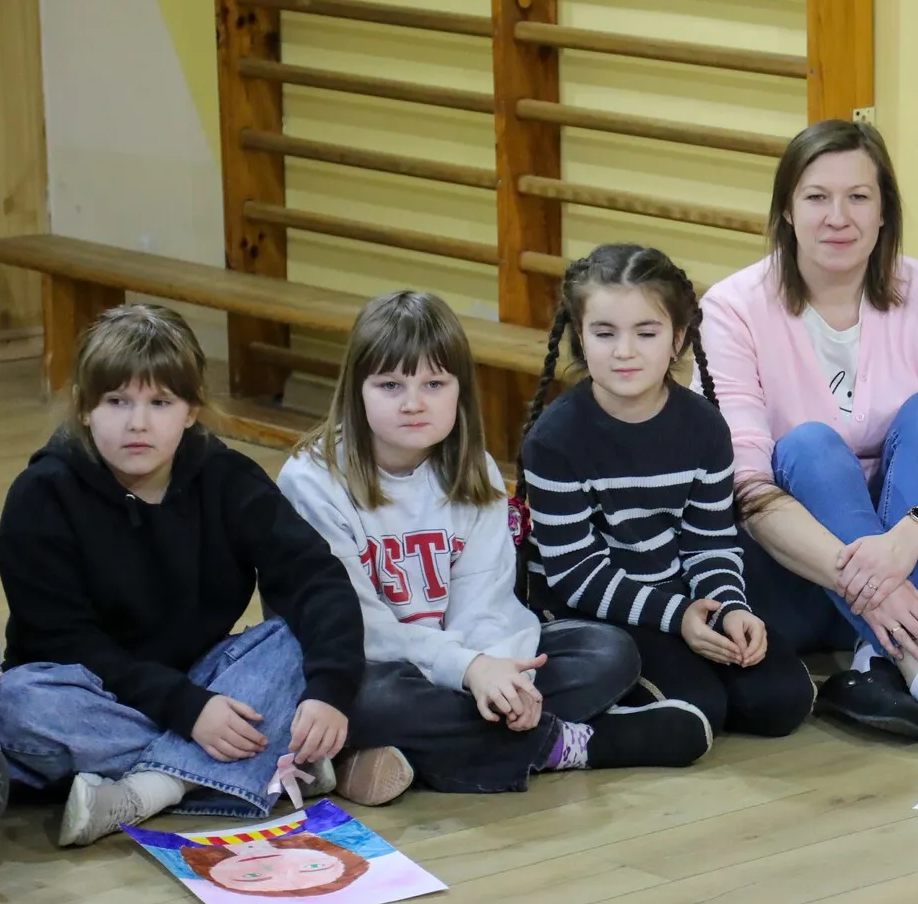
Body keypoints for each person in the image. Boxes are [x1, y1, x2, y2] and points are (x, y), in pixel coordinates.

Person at [280, 291, 711, 802]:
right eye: (390, 385)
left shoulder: (473, 469)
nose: (413, 403)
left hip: (463, 665)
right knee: (368, 698)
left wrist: (502, 678)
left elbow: (485, 600)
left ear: (460, 391)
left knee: (607, 652)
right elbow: (357, 628)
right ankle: (570, 745)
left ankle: (402, 752)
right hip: (366, 664)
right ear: (356, 390)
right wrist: (469, 671)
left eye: (434, 384)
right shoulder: (312, 481)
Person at [699, 119, 918, 754]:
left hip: (913, 563)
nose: (837, 217)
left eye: (858, 197)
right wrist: (867, 579)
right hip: (795, 576)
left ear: (884, 212)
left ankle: (876, 662)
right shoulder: (732, 308)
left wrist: (908, 538)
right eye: (817, 197)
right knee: (808, 446)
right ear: (787, 210)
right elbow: (743, 482)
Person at [0, 305, 363, 845]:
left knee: (291, 638)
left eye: (160, 402)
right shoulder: (41, 496)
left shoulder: (228, 479)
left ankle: (150, 789)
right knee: (14, 703)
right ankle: (261, 765)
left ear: (191, 410)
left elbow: (317, 579)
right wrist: (187, 711)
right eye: (116, 401)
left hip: (205, 680)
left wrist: (330, 691)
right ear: (83, 408)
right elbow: (66, 640)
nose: (138, 423)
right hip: (91, 692)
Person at [520, 244, 814, 743]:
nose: (624, 351)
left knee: (781, 701)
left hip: (677, 599)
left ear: (678, 338)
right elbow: (576, 574)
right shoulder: (554, 440)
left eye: (646, 332)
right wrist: (677, 618)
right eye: (605, 333)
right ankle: (576, 725)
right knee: (700, 706)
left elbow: (710, 542)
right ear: (580, 337)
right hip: (591, 611)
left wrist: (729, 607)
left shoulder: (705, 427)